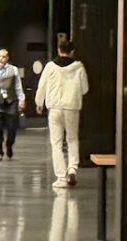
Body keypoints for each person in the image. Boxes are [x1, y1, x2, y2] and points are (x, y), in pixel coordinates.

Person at [36, 35, 91, 190]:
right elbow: (85, 89)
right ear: (72, 51)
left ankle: (61, 177)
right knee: (72, 139)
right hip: (72, 107)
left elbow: (42, 86)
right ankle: (72, 168)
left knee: (56, 143)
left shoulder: (50, 66)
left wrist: (39, 103)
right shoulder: (79, 66)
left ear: (58, 50)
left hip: (54, 107)